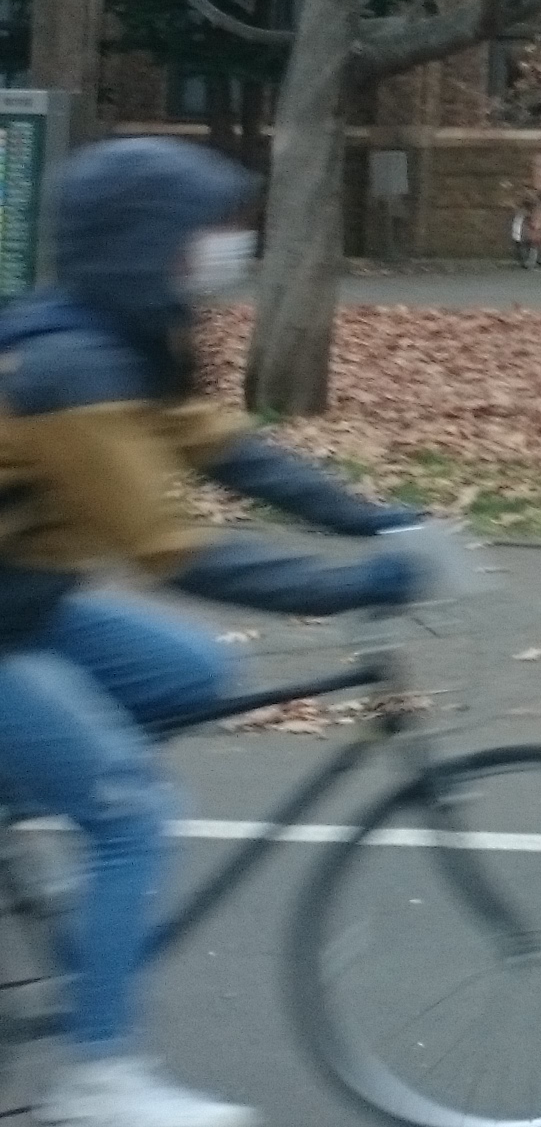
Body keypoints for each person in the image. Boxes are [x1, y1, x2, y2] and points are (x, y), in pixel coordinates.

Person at [0, 140, 470, 1127]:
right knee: (130, 812)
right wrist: (361, 584)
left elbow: (233, 454)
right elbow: (176, 553)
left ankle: (32, 809)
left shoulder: (119, 339)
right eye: (208, 232)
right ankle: (100, 1077)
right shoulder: (67, 370)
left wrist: (373, 519)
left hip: (26, 604)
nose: (226, 248)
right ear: (148, 242)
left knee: (195, 672)